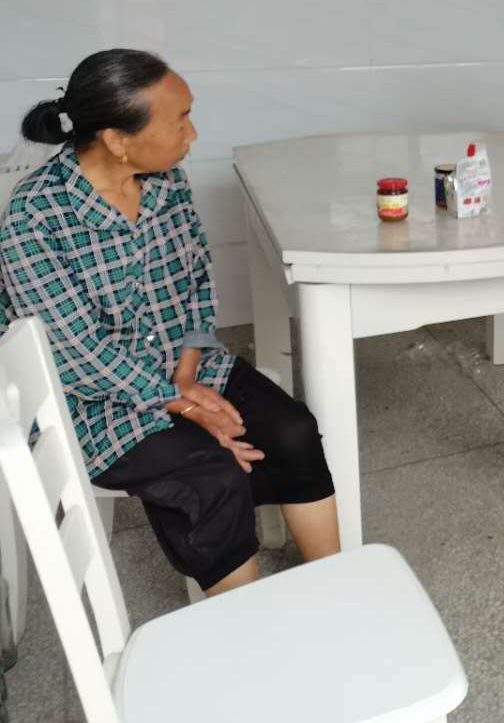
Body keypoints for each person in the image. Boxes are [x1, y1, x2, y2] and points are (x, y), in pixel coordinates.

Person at [0, 50, 339, 596]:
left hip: (182, 367)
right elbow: (73, 353)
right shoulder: (35, 216)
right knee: (211, 477)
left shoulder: (167, 183)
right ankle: (250, 627)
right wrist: (181, 404)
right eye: (180, 119)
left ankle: (336, 587)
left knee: (292, 431)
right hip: (92, 401)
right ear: (117, 139)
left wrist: (187, 373)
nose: (193, 133)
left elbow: (198, 280)